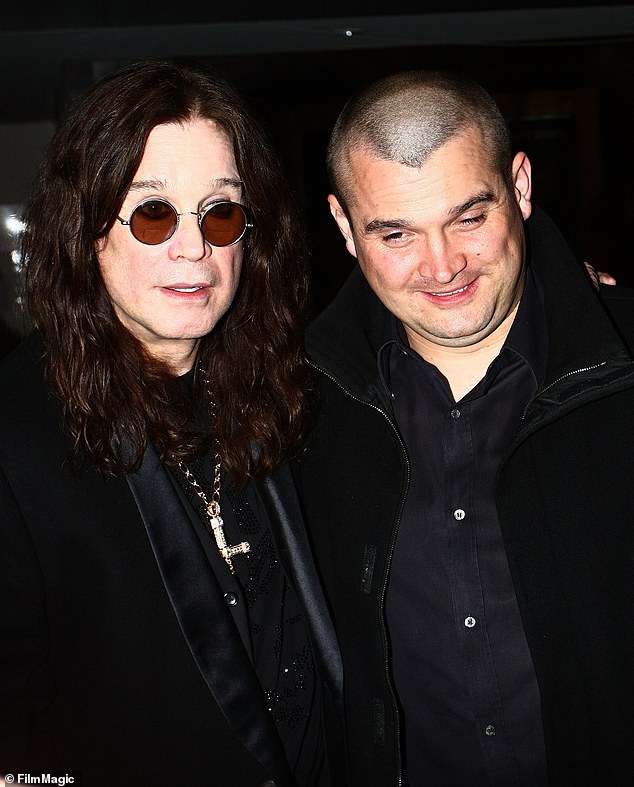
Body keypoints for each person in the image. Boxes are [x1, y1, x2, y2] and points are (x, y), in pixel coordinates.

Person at [0, 58, 343, 787]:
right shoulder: (18, 433)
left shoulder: (279, 393)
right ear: (86, 230)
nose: (194, 246)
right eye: (153, 213)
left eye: (219, 212)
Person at [291, 69, 634, 786]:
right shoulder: (295, 411)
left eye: (470, 217)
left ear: (521, 186)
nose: (442, 265)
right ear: (344, 228)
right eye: (396, 233)